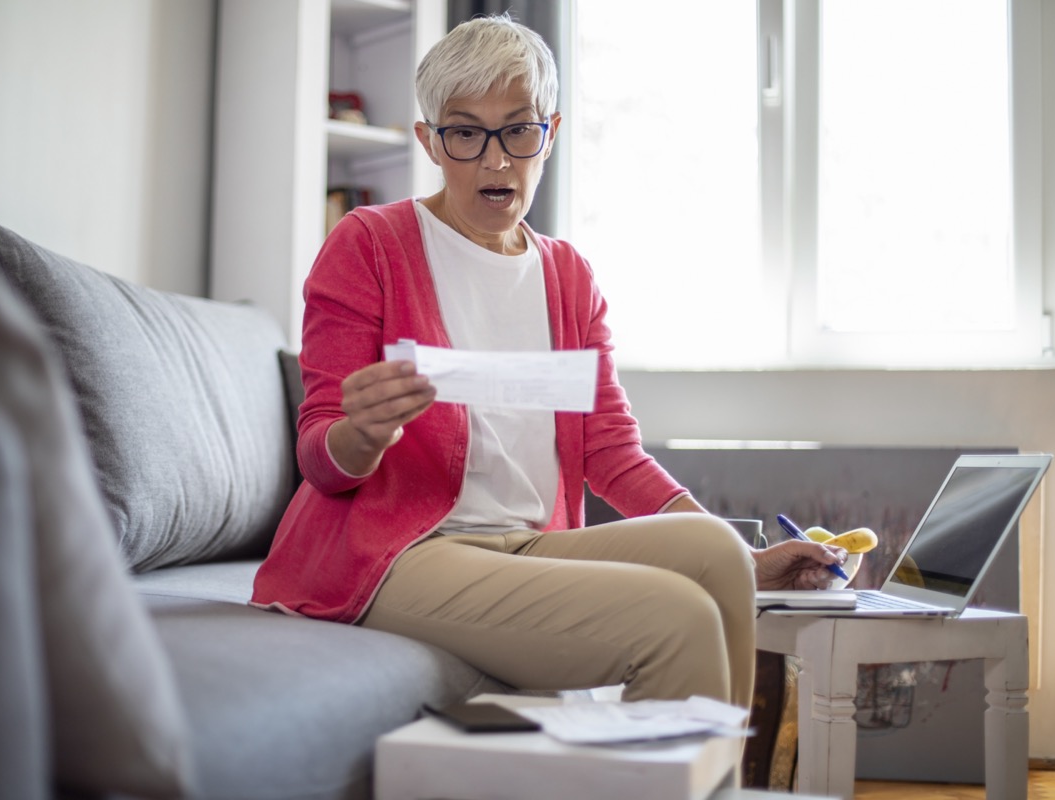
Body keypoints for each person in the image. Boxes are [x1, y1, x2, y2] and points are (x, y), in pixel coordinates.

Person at [251, 14, 845, 709]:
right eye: (466, 133)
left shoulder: (568, 275)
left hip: (528, 543)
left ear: (550, 134)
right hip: (402, 552)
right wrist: (363, 435)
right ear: (430, 142)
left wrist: (747, 560)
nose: (495, 160)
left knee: (715, 554)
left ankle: (703, 779)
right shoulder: (369, 244)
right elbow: (319, 457)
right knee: (675, 618)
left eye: (518, 130)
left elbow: (612, 452)